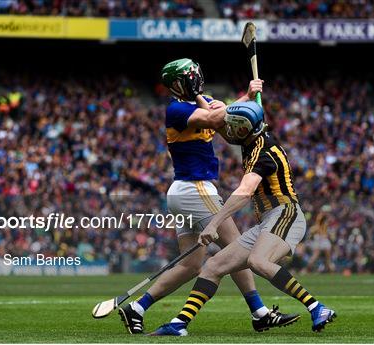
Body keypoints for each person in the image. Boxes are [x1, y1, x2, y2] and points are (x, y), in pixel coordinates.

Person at [119, 58, 298, 334]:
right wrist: (244, 101)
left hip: (184, 192)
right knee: (237, 248)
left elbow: (231, 120)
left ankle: (137, 308)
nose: (196, 78)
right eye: (191, 76)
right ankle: (260, 312)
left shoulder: (201, 102)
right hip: (195, 189)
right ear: (178, 84)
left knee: (191, 265)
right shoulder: (176, 110)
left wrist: (247, 97)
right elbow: (218, 117)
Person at [150, 101, 336, 336]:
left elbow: (245, 192)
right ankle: (179, 325)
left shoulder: (263, 152)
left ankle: (317, 307)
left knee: (258, 261)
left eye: (232, 126)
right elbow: (223, 126)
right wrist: (231, 100)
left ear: (243, 129)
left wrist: (214, 223)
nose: (227, 128)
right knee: (213, 267)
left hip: (285, 213)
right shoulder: (251, 139)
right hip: (267, 220)